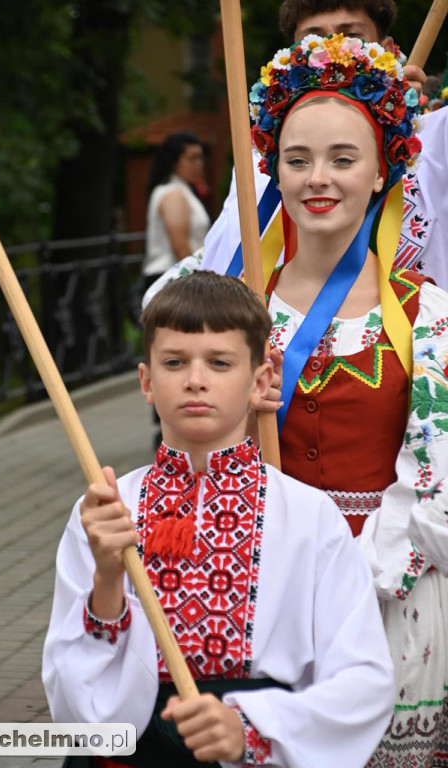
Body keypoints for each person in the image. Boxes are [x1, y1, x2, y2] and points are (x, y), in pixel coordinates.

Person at [43, 271, 396, 768]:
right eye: (174, 362)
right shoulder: (108, 509)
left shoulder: (309, 516)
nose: (195, 379)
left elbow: (363, 678)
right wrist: (106, 578)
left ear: (260, 382)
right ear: (146, 382)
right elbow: (71, 699)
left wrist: (251, 730)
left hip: (259, 745)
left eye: (219, 362)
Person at [245, 32, 448, 767]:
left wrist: (357, 571)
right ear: (272, 167)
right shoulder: (238, 312)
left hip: (395, 594)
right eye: (297, 160)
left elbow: (438, 474)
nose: (317, 179)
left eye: (342, 158)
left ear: (382, 172)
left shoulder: (428, 316)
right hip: (271, 592)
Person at [142, 0, 448, 306]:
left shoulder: (433, 141)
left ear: (387, 48)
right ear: (294, 57)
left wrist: (399, 112)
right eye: (313, 40)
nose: (333, 52)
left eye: (352, 36)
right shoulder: (258, 166)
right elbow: (220, 266)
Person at [142, 132, 210, 295]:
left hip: (180, 278)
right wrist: (202, 286)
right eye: (192, 158)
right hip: (172, 280)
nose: (199, 164)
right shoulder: (173, 193)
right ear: (173, 161)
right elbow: (180, 247)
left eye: (201, 158)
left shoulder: (182, 190)